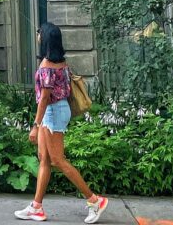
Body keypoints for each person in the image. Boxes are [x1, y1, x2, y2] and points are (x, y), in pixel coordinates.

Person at [14, 22, 108, 223]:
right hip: (56, 110)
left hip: (52, 113)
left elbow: (45, 99)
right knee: (44, 158)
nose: (37, 35)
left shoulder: (47, 67)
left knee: (57, 160)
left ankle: (94, 200)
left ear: (45, 38)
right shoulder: (60, 62)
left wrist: (35, 125)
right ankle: (36, 207)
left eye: (39, 33)